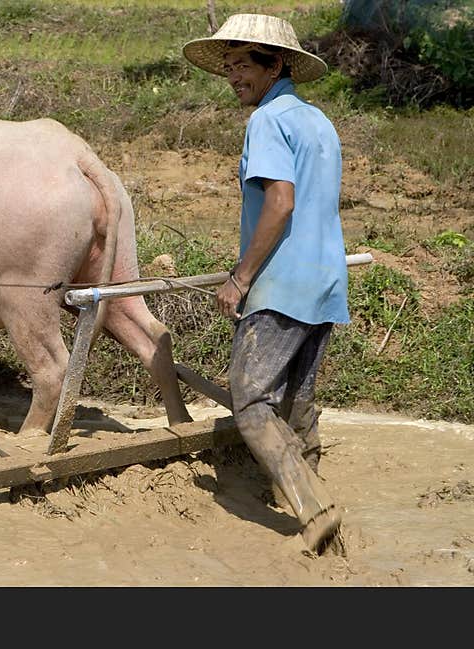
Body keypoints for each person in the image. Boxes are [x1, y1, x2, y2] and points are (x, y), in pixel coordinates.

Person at [182, 14, 349, 553]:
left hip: (282, 284)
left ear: (274, 63)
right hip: (325, 282)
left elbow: (280, 203)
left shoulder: (268, 120)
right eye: (227, 67)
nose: (233, 77)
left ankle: (311, 506)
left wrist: (240, 277)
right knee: (296, 401)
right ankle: (317, 497)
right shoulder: (318, 121)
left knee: (250, 400)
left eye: (242, 66)